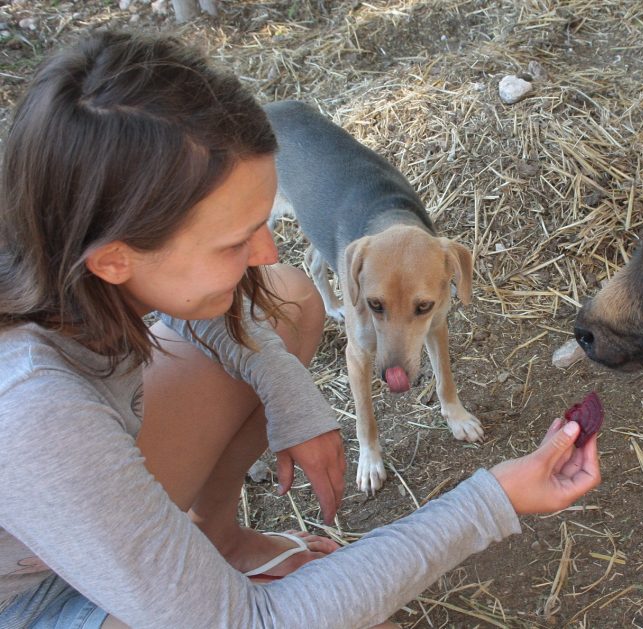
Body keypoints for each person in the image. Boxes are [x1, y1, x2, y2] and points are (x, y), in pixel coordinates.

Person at [0, 30, 601, 629]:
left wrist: (291, 397)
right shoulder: (34, 411)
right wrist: (490, 501)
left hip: (56, 523)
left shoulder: (68, 270)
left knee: (287, 296)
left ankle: (220, 539)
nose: (267, 252)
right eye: (237, 240)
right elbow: (254, 622)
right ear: (114, 258)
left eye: (263, 224)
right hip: (28, 601)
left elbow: (220, 323)